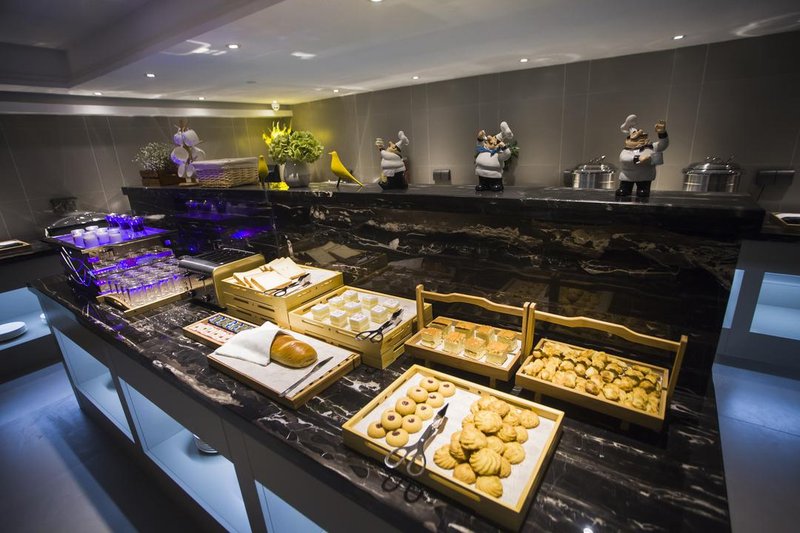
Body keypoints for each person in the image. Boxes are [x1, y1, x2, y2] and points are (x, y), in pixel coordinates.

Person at [616, 114, 669, 198]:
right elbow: (624, 158)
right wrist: (638, 158)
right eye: (637, 138)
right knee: (624, 190)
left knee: (643, 192)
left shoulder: (651, 147)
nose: (641, 139)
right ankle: (626, 189)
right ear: (629, 140)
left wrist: (662, 133)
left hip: (645, 175)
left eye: (642, 137)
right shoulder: (627, 150)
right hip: (628, 175)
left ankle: (643, 190)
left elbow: (663, 145)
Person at [475, 121, 513, 192]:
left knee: (495, 184)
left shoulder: (498, 153)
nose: (489, 143)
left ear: (497, 145)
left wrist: (504, 147)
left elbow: (507, 155)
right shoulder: (483, 149)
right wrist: (480, 138)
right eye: (488, 142)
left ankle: (497, 185)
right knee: (482, 181)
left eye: (492, 143)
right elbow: (479, 144)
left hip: (494, 174)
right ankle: (483, 185)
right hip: (481, 173)